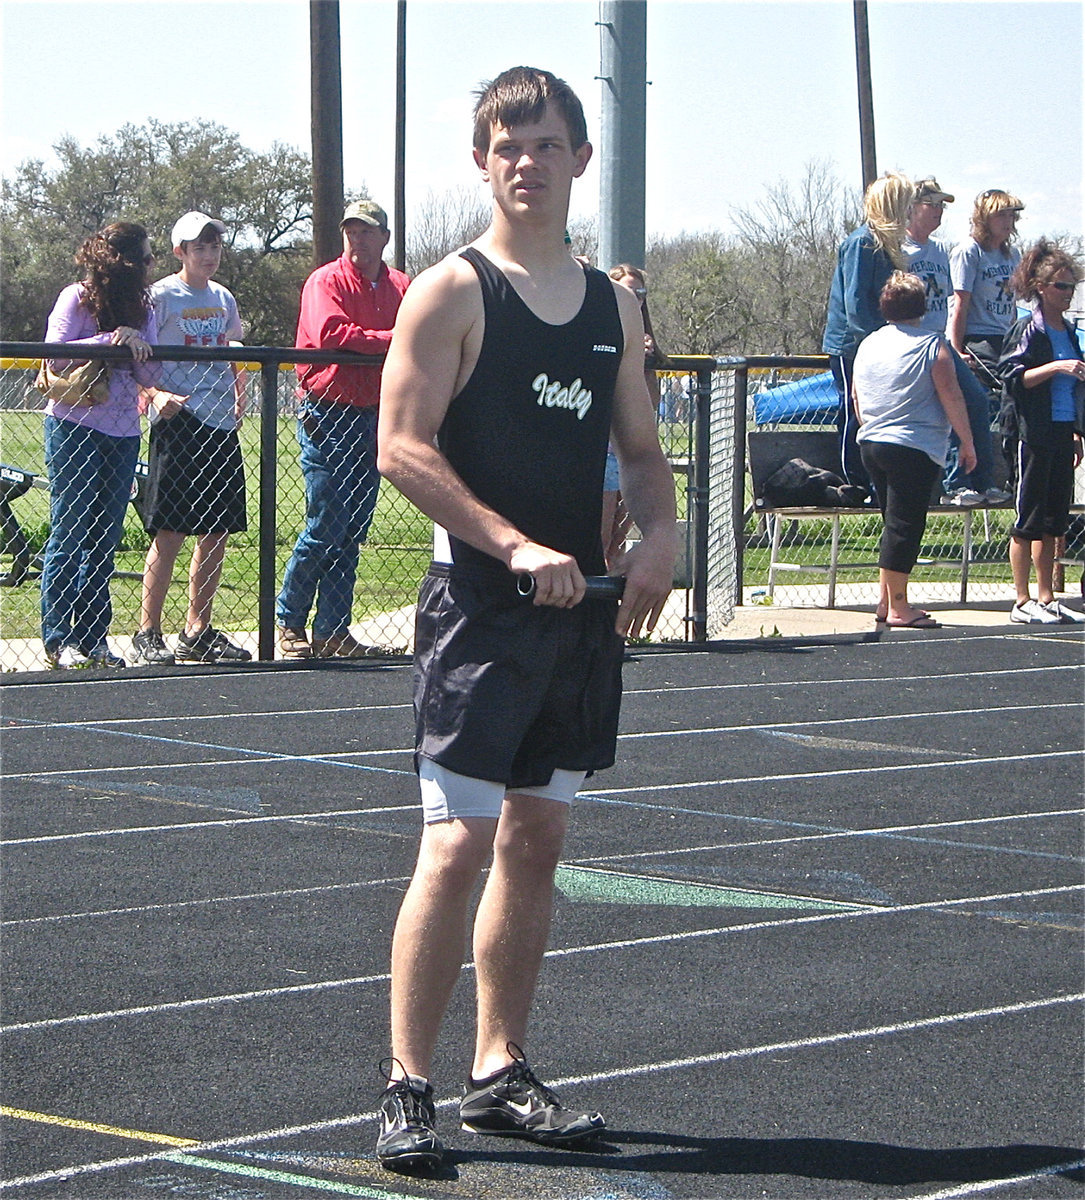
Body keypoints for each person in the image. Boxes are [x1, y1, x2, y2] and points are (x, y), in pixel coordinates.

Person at [373, 66, 677, 1175]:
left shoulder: (610, 305)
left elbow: (642, 456)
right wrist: (511, 545)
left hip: (578, 621)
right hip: (480, 616)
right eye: (507, 145)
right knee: (454, 847)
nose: (526, 163)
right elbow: (399, 448)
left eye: (546, 144)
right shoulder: (450, 292)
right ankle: (407, 1085)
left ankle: (498, 1071)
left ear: (578, 160)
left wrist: (660, 538)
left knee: (536, 839)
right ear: (479, 159)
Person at [276, 200, 409, 659]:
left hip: (376, 414)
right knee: (326, 521)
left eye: (367, 230)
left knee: (352, 527)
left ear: (384, 238)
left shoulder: (400, 285)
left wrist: (394, 340)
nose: (357, 238)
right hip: (328, 412)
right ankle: (289, 621)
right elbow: (334, 333)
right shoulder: (325, 280)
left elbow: (423, 330)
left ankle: (333, 629)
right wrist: (394, 340)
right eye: (351, 229)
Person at [39, 223, 168, 669]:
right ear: (123, 261)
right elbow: (54, 353)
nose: (153, 266)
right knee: (70, 530)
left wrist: (139, 347)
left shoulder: (144, 306)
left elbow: (150, 378)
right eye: (147, 258)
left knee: (104, 537)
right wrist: (108, 340)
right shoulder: (75, 296)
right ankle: (58, 638)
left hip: (124, 433)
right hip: (74, 426)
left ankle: (94, 638)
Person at [131, 212, 250, 666]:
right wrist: (154, 395)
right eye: (198, 247)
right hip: (180, 421)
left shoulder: (223, 298)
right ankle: (148, 631)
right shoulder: (159, 296)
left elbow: (232, 351)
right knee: (171, 529)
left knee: (216, 530)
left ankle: (197, 628)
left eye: (215, 247)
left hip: (220, 424)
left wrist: (239, 396)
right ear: (179, 251)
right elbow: (135, 360)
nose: (208, 255)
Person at [853, 271, 977, 628]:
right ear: (923, 306)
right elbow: (951, 395)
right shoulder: (931, 345)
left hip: (873, 442)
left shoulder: (869, 343)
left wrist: (870, 427)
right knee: (906, 525)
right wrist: (967, 442)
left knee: (891, 522)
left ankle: (884, 600)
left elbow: (857, 397)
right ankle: (899, 606)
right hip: (913, 445)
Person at [903, 178, 1010, 506]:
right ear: (911, 208)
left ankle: (983, 480)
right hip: (912, 344)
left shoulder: (938, 250)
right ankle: (956, 483)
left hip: (940, 343)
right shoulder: (899, 250)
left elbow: (947, 302)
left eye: (942, 206)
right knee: (947, 405)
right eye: (932, 204)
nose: (939, 212)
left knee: (975, 400)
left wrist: (953, 345)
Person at [997, 240, 1085, 625]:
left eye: (1071, 287)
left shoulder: (1069, 331)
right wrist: (1056, 368)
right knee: (1028, 518)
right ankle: (1021, 599)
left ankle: (1047, 596)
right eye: (1060, 287)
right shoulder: (1028, 329)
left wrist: (1077, 432)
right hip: (1032, 433)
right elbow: (1013, 378)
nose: (1067, 294)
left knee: (1053, 518)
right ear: (1041, 287)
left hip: (1062, 430)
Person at [822, 171, 916, 494]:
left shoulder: (891, 246)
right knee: (853, 408)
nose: (910, 213)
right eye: (906, 204)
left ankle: (875, 480)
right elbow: (856, 303)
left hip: (879, 344)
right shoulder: (862, 243)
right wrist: (877, 342)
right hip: (852, 347)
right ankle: (853, 479)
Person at [949, 189, 1024, 479]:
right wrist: (957, 347)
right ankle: (969, 477)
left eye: (1010, 215)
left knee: (1017, 393)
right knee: (999, 389)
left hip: (1005, 335)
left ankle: (1012, 470)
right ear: (985, 218)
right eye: (1000, 215)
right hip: (978, 336)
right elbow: (960, 302)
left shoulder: (1012, 254)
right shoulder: (969, 251)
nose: (1007, 222)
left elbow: (1015, 304)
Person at [603, 263, 667, 565]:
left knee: (619, 538)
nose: (636, 299)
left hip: (631, 453)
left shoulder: (644, 339)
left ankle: (612, 607)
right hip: (601, 449)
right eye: (629, 292)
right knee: (600, 538)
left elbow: (649, 403)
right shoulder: (598, 329)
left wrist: (645, 363)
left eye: (641, 293)